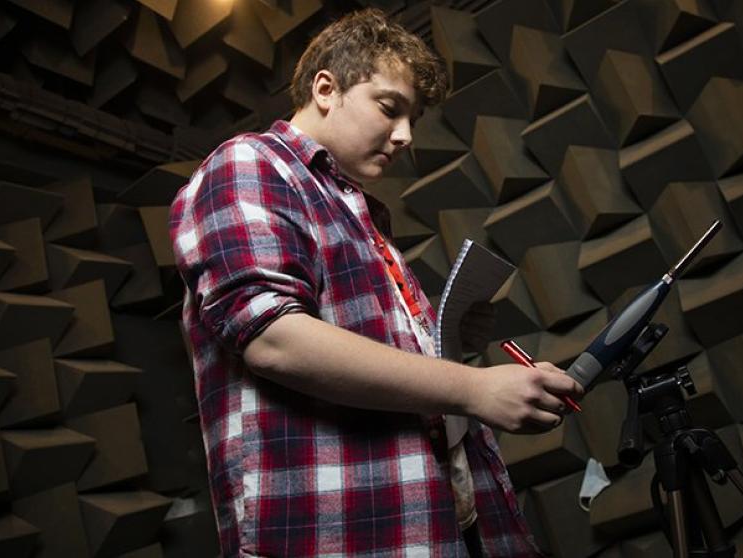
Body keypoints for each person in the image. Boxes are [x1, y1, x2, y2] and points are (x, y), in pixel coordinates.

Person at [168, 8, 583, 557]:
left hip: (431, 516)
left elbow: (373, 362)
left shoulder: (355, 208)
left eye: (413, 119)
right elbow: (273, 338)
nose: (405, 135)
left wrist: (451, 338)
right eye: (390, 109)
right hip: (341, 532)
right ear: (325, 87)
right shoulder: (249, 164)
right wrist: (476, 389)